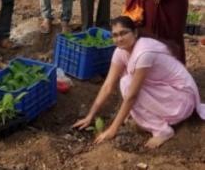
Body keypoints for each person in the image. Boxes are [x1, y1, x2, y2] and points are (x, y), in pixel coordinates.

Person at [73, 16, 205, 149]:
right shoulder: (120, 51)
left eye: (124, 33)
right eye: (115, 35)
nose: (119, 39)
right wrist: (90, 116)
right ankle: (149, 117)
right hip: (166, 93)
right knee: (127, 81)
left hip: (181, 100)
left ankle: (162, 130)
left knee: (127, 83)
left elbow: (131, 96)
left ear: (135, 33)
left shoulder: (144, 53)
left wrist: (113, 129)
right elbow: (108, 85)